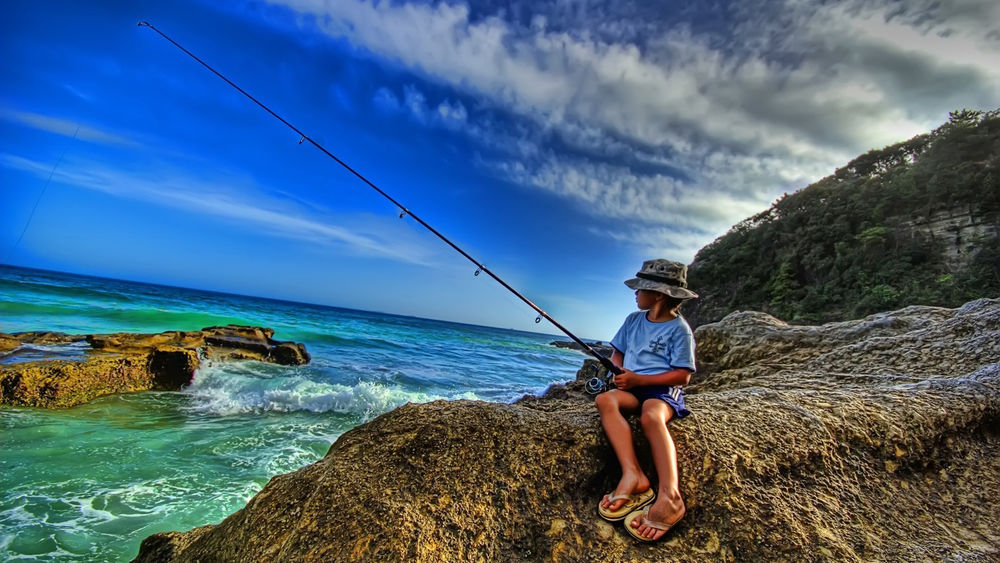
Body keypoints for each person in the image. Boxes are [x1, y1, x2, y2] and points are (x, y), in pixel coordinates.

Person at [595, 258, 697, 542]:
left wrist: (641, 381)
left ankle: (670, 496)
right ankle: (633, 475)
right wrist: (619, 372)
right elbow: (618, 354)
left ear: (659, 295)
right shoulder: (632, 321)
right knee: (606, 401)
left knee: (651, 416)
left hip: (660, 390)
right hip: (632, 387)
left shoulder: (679, 329)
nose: (635, 294)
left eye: (641, 289)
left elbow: (682, 376)